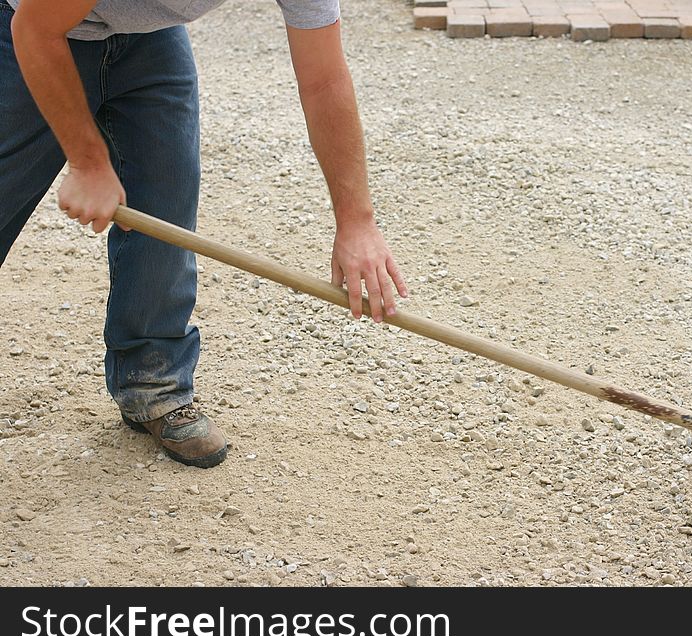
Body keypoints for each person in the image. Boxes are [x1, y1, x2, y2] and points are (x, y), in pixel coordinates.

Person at [1, 0, 408, 468]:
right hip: (25, 24)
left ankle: (152, 383)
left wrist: (356, 221)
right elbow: (35, 28)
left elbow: (324, 81)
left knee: (165, 207)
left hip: (148, 35)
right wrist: (89, 162)